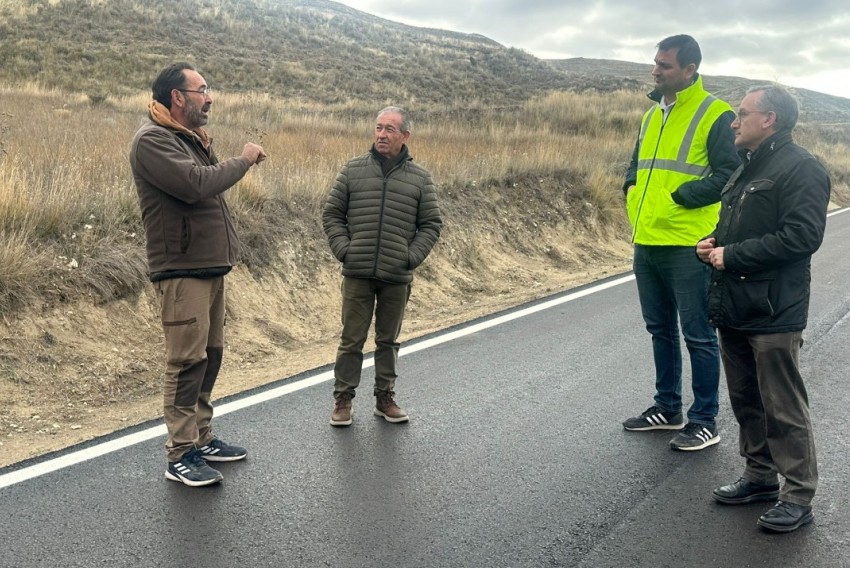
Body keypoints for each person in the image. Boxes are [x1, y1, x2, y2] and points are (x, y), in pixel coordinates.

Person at [697, 85, 830, 533]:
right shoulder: (746, 168)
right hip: (733, 304)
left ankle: (797, 495)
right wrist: (715, 242)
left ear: (769, 118)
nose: (734, 122)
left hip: (775, 309)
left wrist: (732, 256)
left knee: (783, 406)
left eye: (742, 114)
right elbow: (736, 224)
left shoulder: (802, 168)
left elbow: (802, 238)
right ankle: (758, 477)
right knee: (746, 401)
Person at [129, 62, 266, 486]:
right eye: (202, 89)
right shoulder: (153, 140)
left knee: (210, 356)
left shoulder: (188, 138)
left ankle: (201, 438)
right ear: (177, 97)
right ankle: (180, 453)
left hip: (207, 267)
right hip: (181, 269)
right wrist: (242, 161)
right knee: (186, 361)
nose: (209, 98)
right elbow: (195, 185)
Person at [621, 34, 740, 451]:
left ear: (690, 69)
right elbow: (638, 165)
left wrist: (682, 198)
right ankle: (667, 408)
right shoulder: (652, 114)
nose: (655, 70)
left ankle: (705, 419)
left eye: (665, 65)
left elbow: (731, 173)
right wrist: (630, 188)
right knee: (659, 329)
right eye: (655, 62)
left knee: (698, 334)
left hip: (689, 243)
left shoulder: (716, 114)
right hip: (647, 238)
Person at [322, 106, 441, 427]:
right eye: (378, 128)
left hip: (396, 275)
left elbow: (431, 224)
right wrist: (344, 250)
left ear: (405, 136)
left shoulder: (420, 179)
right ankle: (343, 399)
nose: (382, 135)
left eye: (389, 129)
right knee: (351, 340)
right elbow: (332, 214)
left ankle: (384, 397)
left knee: (388, 341)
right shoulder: (353, 170)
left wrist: (410, 257)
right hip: (357, 272)